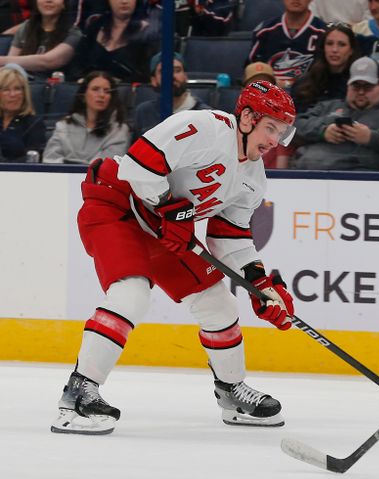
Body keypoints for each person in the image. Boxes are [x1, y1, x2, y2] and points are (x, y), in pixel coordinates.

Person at [51, 80, 299, 435]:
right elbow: (137, 166)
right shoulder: (203, 127)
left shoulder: (253, 179)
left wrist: (260, 284)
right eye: (271, 127)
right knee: (131, 294)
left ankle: (231, 392)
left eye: (282, 132)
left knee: (220, 304)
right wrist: (172, 208)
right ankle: (79, 393)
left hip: (163, 229)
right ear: (246, 117)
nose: (275, 140)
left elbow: (230, 236)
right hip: (117, 204)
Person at [291, 56, 379, 170]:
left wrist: (371, 137)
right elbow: (290, 129)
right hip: (316, 178)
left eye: (367, 86)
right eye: (356, 86)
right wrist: (322, 131)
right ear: (348, 85)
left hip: (372, 181)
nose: (361, 92)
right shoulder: (328, 106)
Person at [43, 70, 130, 163]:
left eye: (107, 91)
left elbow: (107, 165)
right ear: (83, 95)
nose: (101, 95)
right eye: (95, 89)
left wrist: (70, 163)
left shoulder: (119, 130)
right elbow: (50, 158)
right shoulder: (64, 125)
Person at [247, 0, 327, 89]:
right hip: (268, 94)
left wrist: (289, 85)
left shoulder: (323, 32)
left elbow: (325, 74)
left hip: (309, 95)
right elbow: (251, 68)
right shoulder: (264, 30)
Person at [132, 52, 211, 140]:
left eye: (177, 71)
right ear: (153, 80)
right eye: (164, 71)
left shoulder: (205, 114)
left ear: (185, 76)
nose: (172, 76)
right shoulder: (143, 112)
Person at [75, 0, 157, 83]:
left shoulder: (147, 32)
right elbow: (78, 64)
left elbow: (146, 74)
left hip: (128, 91)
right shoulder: (95, 26)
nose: (124, 1)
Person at [291, 22, 361, 114]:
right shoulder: (304, 83)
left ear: (351, 50)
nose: (334, 50)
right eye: (329, 43)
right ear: (323, 48)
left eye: (342, 44)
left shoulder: (358, 85)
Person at [0, 0, 82, 77]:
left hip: (52, 86)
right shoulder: (26, 27)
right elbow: (10, 63)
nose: (48, 1)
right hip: (21, 84)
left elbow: (48, 61)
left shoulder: (73, 34)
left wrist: (3, 60)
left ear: (64, 4)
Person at [0, 63, 46, 161]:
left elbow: (33, 161)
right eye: (6, 90)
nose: (13, 94)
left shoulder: (34, 124)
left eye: (17, 89)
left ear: (25, 93)